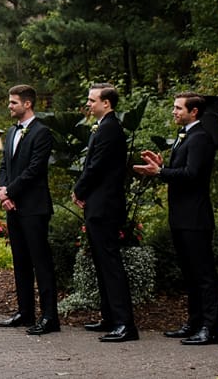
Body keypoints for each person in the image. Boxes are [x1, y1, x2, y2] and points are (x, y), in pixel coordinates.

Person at [134, 92, 218, 345]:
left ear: (194, 112)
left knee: (203, 275)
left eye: (178, 108)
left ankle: (210, 329)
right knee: (190, 273)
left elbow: (192, 174)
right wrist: (162, 166)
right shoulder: (185, 135)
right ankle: (194, 322)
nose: (174, 112)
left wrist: (160, 172)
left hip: (195, 217)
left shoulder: (200, 137)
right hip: (181, 216)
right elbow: (181, 170)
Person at [71, 83, 138, 342]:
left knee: (110, 264)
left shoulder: (110, 129)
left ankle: (125, 324)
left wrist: (79, 190)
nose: (88, 104)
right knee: (101, 263)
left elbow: (96, 166)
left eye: (92, 100)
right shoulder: (103, 126)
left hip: (105, 205)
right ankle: (109, 317)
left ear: (106, 103)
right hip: (98, 204)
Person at [0, 84, 59, 335]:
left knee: (41, 262)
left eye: (13, 102)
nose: (9, 106)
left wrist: (10, 191)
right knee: (20, 261)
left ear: (27, 104)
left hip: (34, 207)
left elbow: (35, 170)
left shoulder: (42, 133)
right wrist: (4, 194)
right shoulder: (12, 132)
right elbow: (5, 166)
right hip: (13, 207)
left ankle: (50, 317)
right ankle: (25, 312)